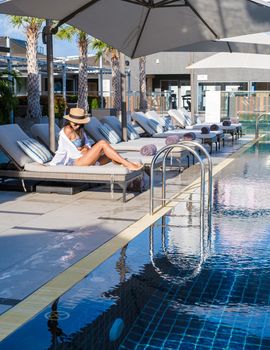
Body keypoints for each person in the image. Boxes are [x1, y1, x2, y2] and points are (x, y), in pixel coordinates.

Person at [50, 108, 143, 171]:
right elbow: (63, 149)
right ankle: (127, 164)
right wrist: (52, 165)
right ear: (69, 120)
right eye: (74, 123)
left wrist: (86, 147)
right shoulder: (67, 130)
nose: (76, 125)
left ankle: (119, 162)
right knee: (102, 143)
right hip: (77, 162)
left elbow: (87, 143)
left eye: (79, 123)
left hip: (87, 159)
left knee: (110, 153)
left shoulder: (80, 130)